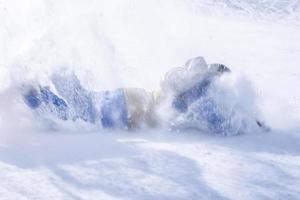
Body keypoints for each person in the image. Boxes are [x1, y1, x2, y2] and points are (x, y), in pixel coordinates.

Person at [22, 57, 268, 135]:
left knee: (81, 109)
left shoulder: (194, 85)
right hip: (134, 106)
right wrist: (254, 124)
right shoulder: (201, 94)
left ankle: (47, 75)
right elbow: (221, 124)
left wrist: (254, 121)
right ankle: (47, 74)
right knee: (84, 113)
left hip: (134, 99)